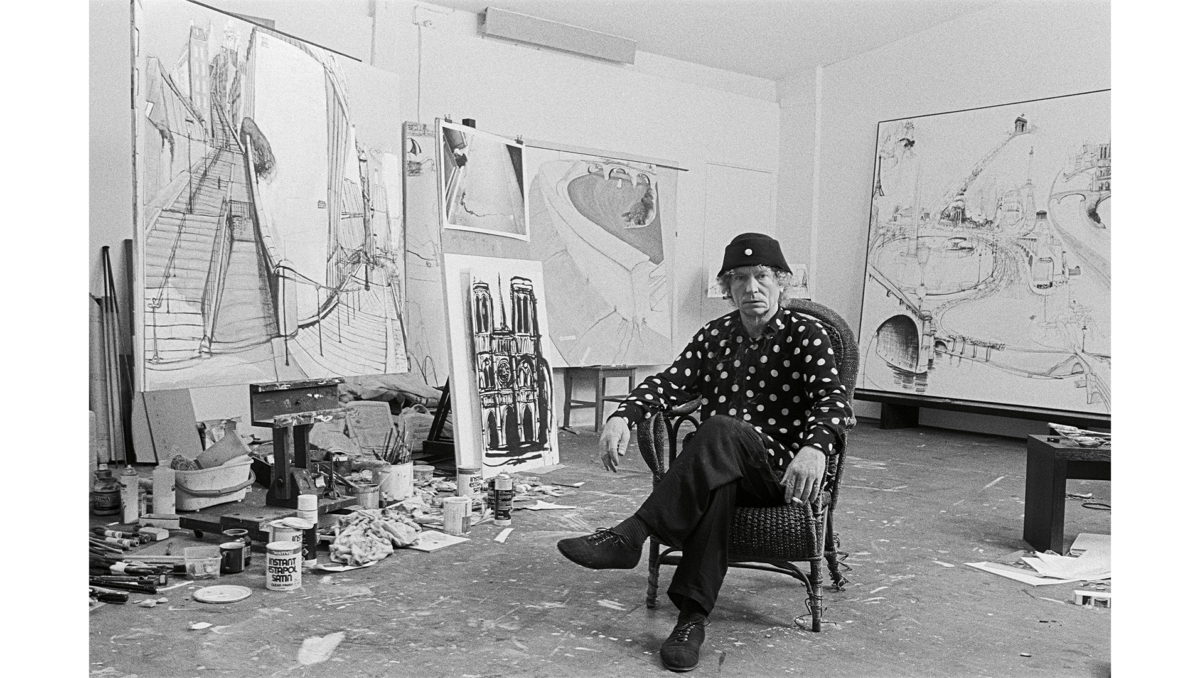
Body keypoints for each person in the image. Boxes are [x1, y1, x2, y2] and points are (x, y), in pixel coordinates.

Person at [556, 232, 853, 672]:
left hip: (777, 476)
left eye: (762, 276)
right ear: (726, 288)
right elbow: (669, 382)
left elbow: (833, 400)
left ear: (782, 282)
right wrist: (624, 414)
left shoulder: (805, 335)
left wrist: (815, 447)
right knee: (717, 479)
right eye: (739, 279)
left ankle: (632, 534)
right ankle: (691, 622)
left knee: (717, 430)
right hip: (719, 471)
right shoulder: (714, 336)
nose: (751, 288)